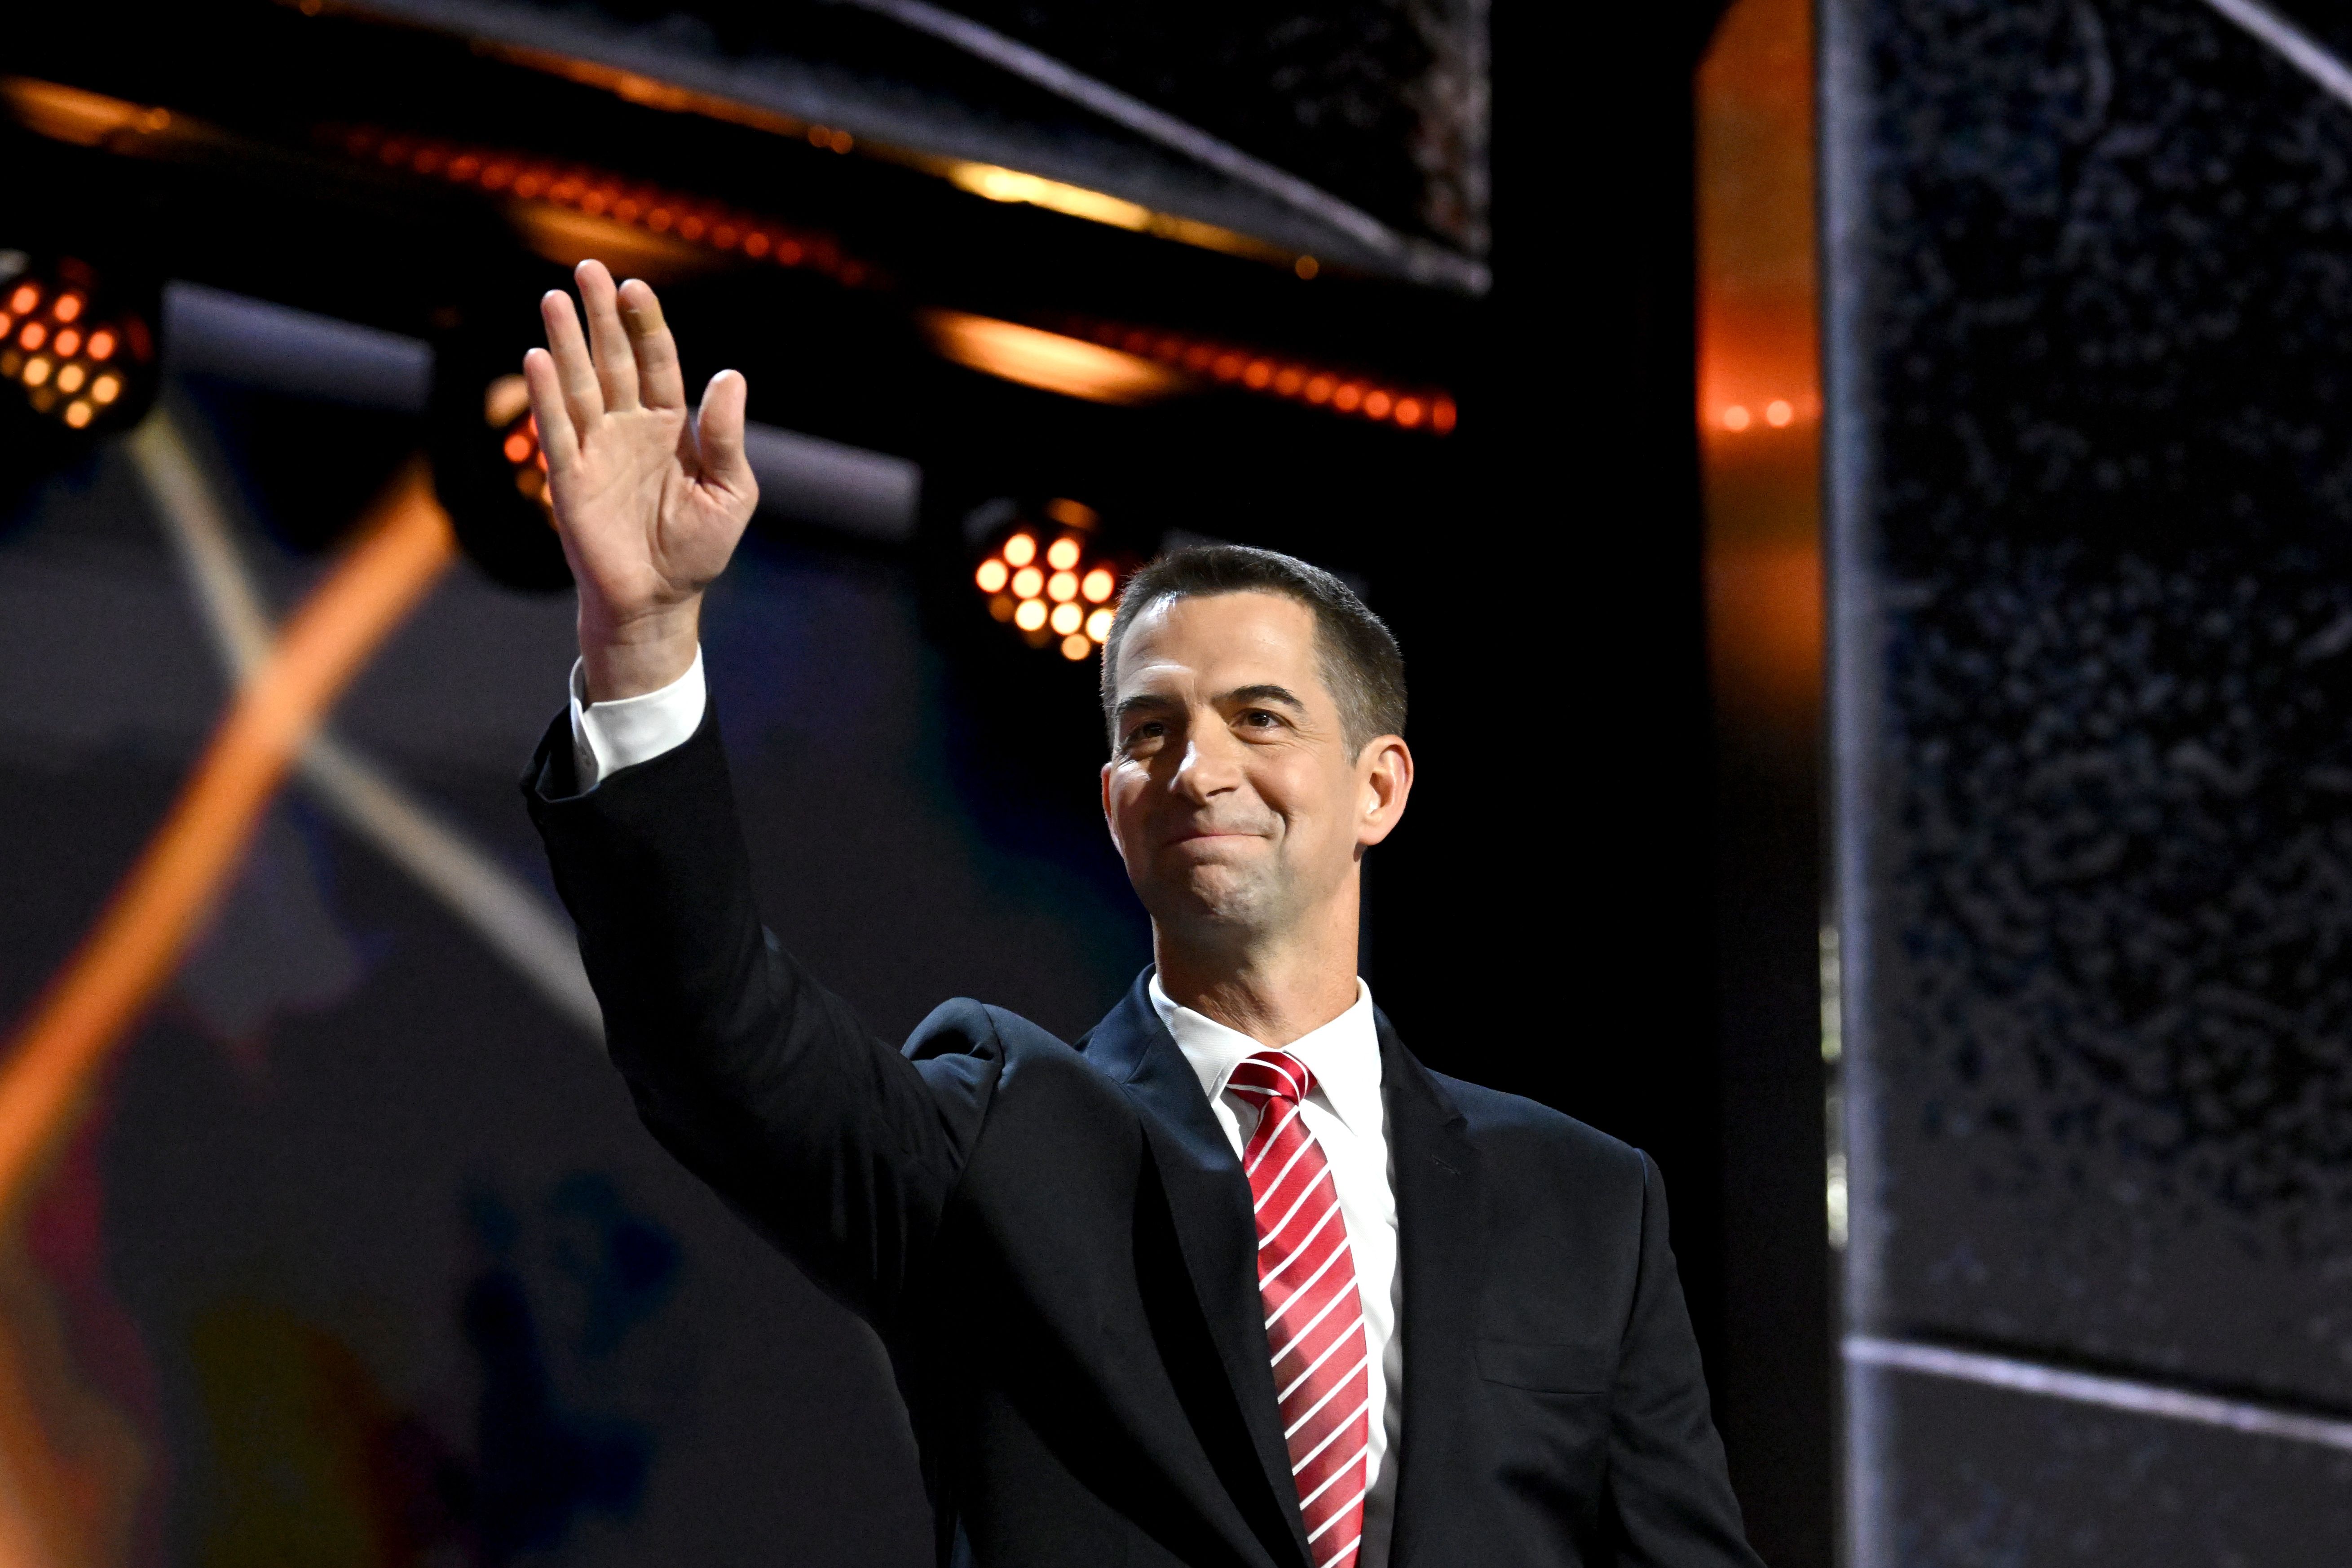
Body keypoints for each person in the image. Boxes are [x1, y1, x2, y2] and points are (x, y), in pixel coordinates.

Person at [519, 259, 1765, 1568]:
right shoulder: (997, 1143)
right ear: (1114, 801)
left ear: (1380, 787)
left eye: (1260, 718)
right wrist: (642, 641)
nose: (1198, 767)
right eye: (1151, 730)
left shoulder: (1586, 1203)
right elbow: (717, 1038)